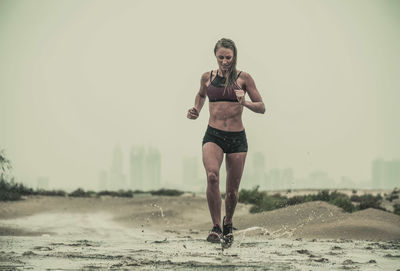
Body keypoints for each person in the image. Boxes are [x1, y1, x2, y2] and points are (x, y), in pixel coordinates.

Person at [187, 38, 265, 245]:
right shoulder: (207, 77)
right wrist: (196, 109)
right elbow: (201, 95)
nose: (224, 61)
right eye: (220, 57)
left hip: (237, 139)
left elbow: (262, 107)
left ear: (234, 56)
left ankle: (228, 222)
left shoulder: (243, 79)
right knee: (212, 176)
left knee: (231, 192)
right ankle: (216, 227)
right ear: (216, 56)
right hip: (213, 135)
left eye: (228, 57)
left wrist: (244, 102)